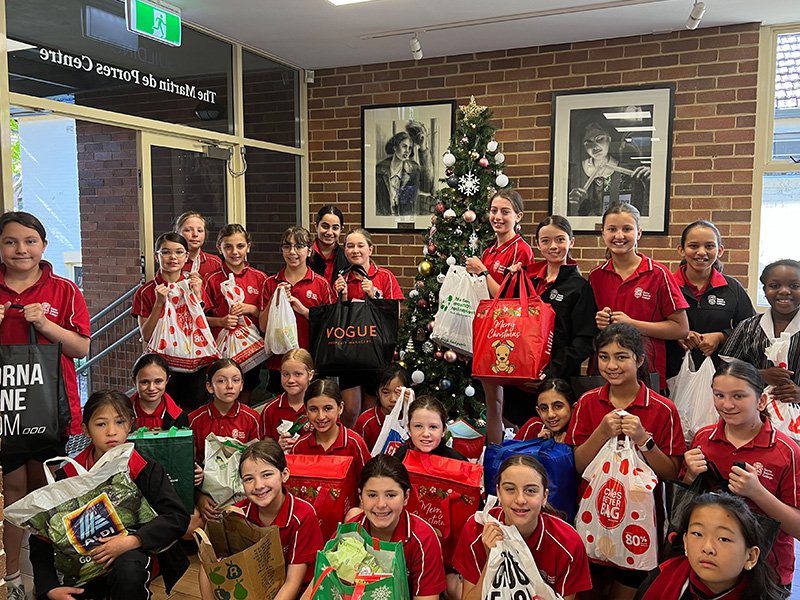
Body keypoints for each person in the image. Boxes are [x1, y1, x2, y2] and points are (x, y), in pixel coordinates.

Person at [0, 211, 91, 600]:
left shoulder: (64, 290)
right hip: (7, 407)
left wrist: (46, 326)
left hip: (52, 408)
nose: (21, 249)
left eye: (30, 241)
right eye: (10, 241)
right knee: (14, 489)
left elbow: (82, 347)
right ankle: (13, 577)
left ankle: (51, 573)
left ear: (43, 245)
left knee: (47, 491)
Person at [29, 390, 189, 600]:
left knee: (128, 571)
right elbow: (41, 537)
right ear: (86, 430)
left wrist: (132, 540)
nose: (112, 432)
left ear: (131, 424)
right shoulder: (68, 476)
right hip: (81, 565)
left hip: (134, 554)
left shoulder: (144, 469)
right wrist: (48, 586)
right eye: (101, 424)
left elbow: (176, 517)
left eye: (120, 422)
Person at [565, 324, 685, 599]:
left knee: (626, 590)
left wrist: (644, 439)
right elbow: (579, 466)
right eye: (604, 356)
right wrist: (602, 432)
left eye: (621, 356)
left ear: (639, 360)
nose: (612, 365)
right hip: (593, 517)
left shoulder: (663, 409)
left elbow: (671, 472)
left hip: (639, 523)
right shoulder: (587, 403)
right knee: (589, 590)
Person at [682, 359, 800, 592]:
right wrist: (689, 477)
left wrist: (757, 493)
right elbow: (684, 503)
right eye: (719, 395)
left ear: (761, 400)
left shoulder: (787, 451)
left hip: (767, 568)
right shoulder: (703, 439)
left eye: (738, 396)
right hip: (710, 563)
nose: (727, 405)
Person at [453, 454, 592, 600]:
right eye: (510, 489)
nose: (520, 500)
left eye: (530, 491)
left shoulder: (568, 542)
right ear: (498, 493)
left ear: (544, 496)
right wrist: (491, 560)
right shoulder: (477, 528)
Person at [199, 439, 324, 600]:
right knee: (208, 560)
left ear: (284, 475)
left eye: (267, 475)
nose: (258, 485)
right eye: (249, 479)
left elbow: (293, 582)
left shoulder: (302, 515)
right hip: (256, 585)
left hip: (295, 590)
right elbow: (213, 564)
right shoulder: (237, 513)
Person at [505, 214, 596, 426]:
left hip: (554, 382)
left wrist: (550, 372)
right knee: (519, 434)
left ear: (571, 241)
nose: (553, 246)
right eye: (545, 241)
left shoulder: (579, 288)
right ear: (537, 244)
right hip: (517, 378)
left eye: (560, 239)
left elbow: (584, 342)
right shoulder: (525, 278)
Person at [589, 203, 689, 391]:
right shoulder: (596, 276)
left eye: (627, 229)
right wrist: (599, 321)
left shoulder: (658, 274)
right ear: (603, 233)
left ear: (639, 233)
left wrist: (632, 324)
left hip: (647, 371)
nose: (619, 236)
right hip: (605, 373)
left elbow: (681, 329)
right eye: (612, 229)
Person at [465, 190, 534, 444]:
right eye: (494, 210)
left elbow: (509, 299)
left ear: (518, 216)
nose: (497, 216)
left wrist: (483, 272)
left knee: (513, 407)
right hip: (490, 331)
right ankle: (493, 456)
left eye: (505, 211)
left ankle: (517, 457)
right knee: (492, 403)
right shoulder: (491, 250)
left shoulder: (521, 251)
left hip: (510, 333)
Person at [635, 493, 785, 600]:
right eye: (697, 534)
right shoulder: (659, 579)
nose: (707, 548)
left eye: (724, 539)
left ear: (751, 557)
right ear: (685, 542)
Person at [344, 455, 447, 600]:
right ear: (361, 497)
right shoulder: (349, 532)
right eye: (372, 495)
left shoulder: (423, 539)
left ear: (406, 497)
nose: (381, 504)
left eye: (390, 495)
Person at [132, 232, 210, 412]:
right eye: (166, 252)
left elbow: (201, 327)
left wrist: (197, 295)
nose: (173, 257)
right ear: (157, 256)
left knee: (194, 411)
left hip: (194, 363)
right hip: (162, 365)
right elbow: (146, 334)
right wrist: (159, 303)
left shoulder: (194, 285)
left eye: (179, 252)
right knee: (164, 411)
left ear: (187, 256)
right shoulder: (146, 291)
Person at [666, 220, 755, 378]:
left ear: (720, 250)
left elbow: (751, 329)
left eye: (709, 246)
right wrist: (679, 333)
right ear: (681, 250)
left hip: (720, 375)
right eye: (693, 246)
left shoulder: (732, 288)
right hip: (672, 372)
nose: (701, 252)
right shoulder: (666, 284)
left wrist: (721, 336)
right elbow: (653, 323)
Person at [333, 228, 403, 427]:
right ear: (345, 251)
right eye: (350, 246)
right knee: (350, 410)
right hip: (349, 354)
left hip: (377, 351)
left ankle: (369, 451)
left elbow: (395, 315)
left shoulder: (385, 276)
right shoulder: (341, 279)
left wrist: (374, 294)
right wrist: (343, 298)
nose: (355, 250)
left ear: (370, 249)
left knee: (371, 411)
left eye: (360, 245)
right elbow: (334, 322)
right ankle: (351, 447)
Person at [262, 226, 335, 396]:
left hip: (311, 362)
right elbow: (264, 327)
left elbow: (331, 327)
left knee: (311, 411)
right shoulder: (271, 283)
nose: (292, 252)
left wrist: (304, 311)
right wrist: (275, 299)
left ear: (309, 251)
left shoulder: (321, 284)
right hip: (279, 363)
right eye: (287, 247)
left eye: (299, 246)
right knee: (280, 412)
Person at [189, 359, 261, 522]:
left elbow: (258, 463)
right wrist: (199, 497)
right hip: (207, 494)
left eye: (235, 380)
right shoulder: (195, 420)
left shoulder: (252, 418)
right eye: (221, 381)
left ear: (242, 385)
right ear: (209, 387)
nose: (229, 385)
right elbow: (188, 467)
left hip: (243, 493)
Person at [204, 224, 268, 404]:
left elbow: (267, 316)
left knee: (245, 393)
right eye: (228, 247)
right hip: (220, 350)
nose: (234, 252)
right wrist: (221, 321)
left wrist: (251, 309)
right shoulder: (212, 279)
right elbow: (199, 320)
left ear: (248, 246)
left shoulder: (259, 278)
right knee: (222, 394)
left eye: (240, 246)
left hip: (251, 350)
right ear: (219, 248)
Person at [721, 259, 800, 403]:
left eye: (794, 286)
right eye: (774, 286)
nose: (784, 291)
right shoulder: (748, 327)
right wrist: (758, 374)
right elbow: (724, 371)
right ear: (764, 290)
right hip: (754, 415)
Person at [567, 120, 650, 217]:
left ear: (609, 139)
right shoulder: (575, 173)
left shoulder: (627, 172)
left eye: (600, 139)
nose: (595, 146)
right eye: (588, 142)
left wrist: (649, 184)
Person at [292, 379, 371, 479]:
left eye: (328, 408)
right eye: (313, 409)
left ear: (340, 408)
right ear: (306, 411)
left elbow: (368, 480)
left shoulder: (354, 443)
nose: (321, 416)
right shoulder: (299, 447)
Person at [260, 349, 315, 451]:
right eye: (286, 374)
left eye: (298, 374)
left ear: (310, 375)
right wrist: (277, 447)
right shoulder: (270, 409)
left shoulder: (321, 407)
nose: (291, 380)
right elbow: (265, 450)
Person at [392, 395, 467, 463]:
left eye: (433, 427)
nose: (425, 434)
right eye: (418, 426)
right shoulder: (400, 457)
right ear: (409, 429)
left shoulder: (459, 462)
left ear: (443, 430)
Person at [354, 363, 411, 450]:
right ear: (377, 393)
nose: (393, 399)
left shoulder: (411, 419)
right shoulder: (366, 422)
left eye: (398, 392)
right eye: (386, 392)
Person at [130, 353, 189, 430]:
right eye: (145, 382)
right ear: (134, 381)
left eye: (158, 381)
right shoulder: (121, 413)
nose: (151, 388)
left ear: (167, 380)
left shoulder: (179, 417)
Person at [515, 378, 576, 443]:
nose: (550, 415)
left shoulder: (581, 432)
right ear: (538, 411)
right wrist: (536, 444)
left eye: (558, 406)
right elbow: (506, 451)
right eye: (544, 408)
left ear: (573, 408)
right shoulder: (534, 426)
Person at [376, 131, 421, 216]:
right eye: (404, 146)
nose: (407, 151)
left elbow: (412, 202)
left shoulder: (414, 170)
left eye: (410, 148)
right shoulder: (379, 169)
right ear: (395, 147)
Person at [174, 211, 221, 280]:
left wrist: (204, 284)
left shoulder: (215, 263)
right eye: (188, 230)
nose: (195, 234)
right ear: (178, 233)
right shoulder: (172, 261)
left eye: (200, 230)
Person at [309, 205, 349, 287]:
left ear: (341, 229)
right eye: (325, 226)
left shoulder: (346, 258)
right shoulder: (304, 255)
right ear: (316, 226)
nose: (330, 232)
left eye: (335, 228)